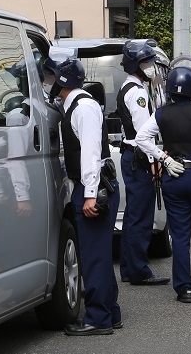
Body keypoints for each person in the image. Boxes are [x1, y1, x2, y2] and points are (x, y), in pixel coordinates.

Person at [135, 66, 191, 304]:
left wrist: (163, 158)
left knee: (180, 235)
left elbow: (141, 138)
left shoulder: (161, 114)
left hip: (174, 177)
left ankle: (185, 289)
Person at [55, 59, 122, 335]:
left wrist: (90, 195)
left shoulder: (82, 108)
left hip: (95, 187)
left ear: (62, 83)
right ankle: (110, 312)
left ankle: (97, 318)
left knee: (93, 256)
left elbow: (91, 154)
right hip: (94, 185)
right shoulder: (78, 105)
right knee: (99, 255)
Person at [117, 41, 170, 286]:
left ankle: (130, 267)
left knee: (132, 215)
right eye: (146, 62)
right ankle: (139, 270)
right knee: (140, 216)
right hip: (140, 157)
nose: (150, 67)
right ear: (136, 65)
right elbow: (143, 133)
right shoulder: (137, 92)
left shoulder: (128, 86)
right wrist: (154, 160)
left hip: (132, 156)